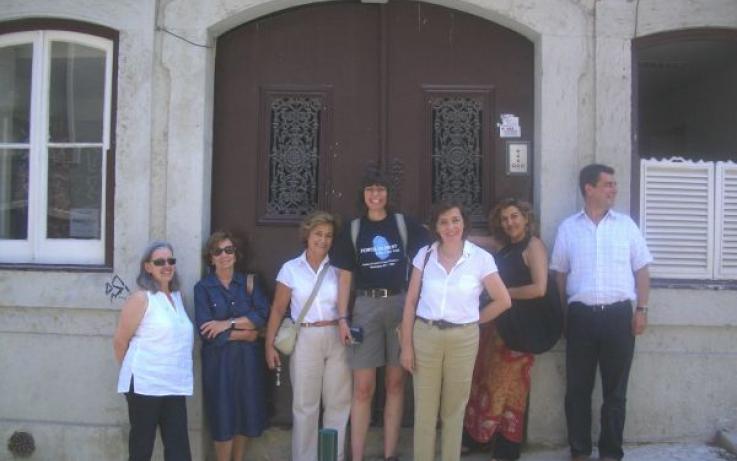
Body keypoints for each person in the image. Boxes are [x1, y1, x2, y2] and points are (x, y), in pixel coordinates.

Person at [550, 164, 651, 461]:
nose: (614, 189)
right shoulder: (569, 228)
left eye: (614, 184)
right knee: (577, 390)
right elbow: (560, 275)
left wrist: (642, 309)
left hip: (619, 317)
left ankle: (610, 453)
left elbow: (642, 269)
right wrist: (564, 316)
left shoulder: (626, 226)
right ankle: (579, 451)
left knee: (615, 392)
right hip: (581, 318)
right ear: (588, 189)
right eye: (607, 184)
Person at [330, 168, 430, 461]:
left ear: (388, 194)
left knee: (396, 384)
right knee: (362, 388)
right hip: (364, 308)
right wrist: (342, 318)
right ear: (363, 195)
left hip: (400, 306)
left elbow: (429, 255)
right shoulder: (353, 229)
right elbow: (345, 278)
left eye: (381, 189)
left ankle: (389, 455)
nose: (376, 195)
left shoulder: (403, 224)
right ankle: (357, 456)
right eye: (370, 190)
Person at [400, 201, 512, 461]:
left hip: (463, 339)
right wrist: (406, 345)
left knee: (454, 409)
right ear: (436, 227)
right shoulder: (425, 255)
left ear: (464, 223)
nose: (450, 227)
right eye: (444, 222)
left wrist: (473, 320)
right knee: (425, 410)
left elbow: (503, 300)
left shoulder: (480, 258)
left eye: (455, 220)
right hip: (426, 335)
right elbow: (411, 301)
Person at [463, 198, 549, 461]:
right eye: (504, 219)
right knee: (487, 381)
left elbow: (539, 288)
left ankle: (507, 448)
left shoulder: (533, 246)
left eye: (514, 216)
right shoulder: (505, 247)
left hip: (522, 328)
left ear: (525, 218)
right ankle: (482, 440)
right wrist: (452, 232)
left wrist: (503, 294)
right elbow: (482, 241)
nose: (510, 222)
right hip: (500, 325)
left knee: (510, 387)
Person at [264, 211, 351, 461]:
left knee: (338, 402)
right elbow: (278, 309)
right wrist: (269, 345)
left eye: (328, 235)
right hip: (306, 337)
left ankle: (333, 456)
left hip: (336, 335)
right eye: (318, 234)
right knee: (305, 406)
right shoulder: (290, 269)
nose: (323, 240)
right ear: (307, 235)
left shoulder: (338, 268)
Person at [113, 241, 194, 461]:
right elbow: (120, 341)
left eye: (171, 261)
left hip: (173, 385)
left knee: (178, 449)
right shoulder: (141, 298)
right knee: (141, 448)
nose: (166, 265)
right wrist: (137, 373)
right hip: (144, 385)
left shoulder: (177, 298)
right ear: (147, 267)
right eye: (159, 262)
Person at [194, 231, 269, 461]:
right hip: (219, 364)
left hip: (247, 362)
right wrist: (246, 334)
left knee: (245, 414)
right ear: (211, 258)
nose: (224, 255)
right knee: (223, 416)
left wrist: (227, 324)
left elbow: (261, 316)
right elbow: (209, 332)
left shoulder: (249, 283)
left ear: (236, 254)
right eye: (218, 251)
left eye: (229, 250)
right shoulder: (203, 288)